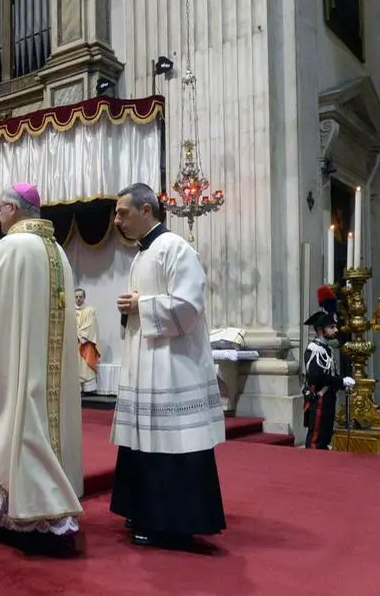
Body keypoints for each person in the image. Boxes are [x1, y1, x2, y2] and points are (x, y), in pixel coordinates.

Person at [0, 182, 84, 556]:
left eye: (0, 208)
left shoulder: (11, 247)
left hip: (18, 364)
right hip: (48, 368)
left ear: (14, 209)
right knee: (45, 426)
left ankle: (28, 513)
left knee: (19, 423)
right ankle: (52, 508)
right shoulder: (57, 251)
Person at [110, 182, 226, 549]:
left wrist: (141, 305)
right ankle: (145, 510)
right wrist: (135, 308)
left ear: (147, 211)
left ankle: (173, 524)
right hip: (148, 364)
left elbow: (190, 307)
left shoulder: (175, 248)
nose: (117, 220)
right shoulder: (142, 255)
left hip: (173, 367)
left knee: (171, 443)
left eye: (123, 213)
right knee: (144, 442)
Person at [302, 286, 355, 449]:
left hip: (328, 398)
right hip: (319, 398)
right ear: (320, 330)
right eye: (331, 327)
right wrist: (340, 382)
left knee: (325, 434)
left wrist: (341, 381)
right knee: (316, 437)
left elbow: (330, 372)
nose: (336, 330)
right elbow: (316, 377)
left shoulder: (326, 348)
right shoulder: (314, 349)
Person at [74, 288, 101, 395]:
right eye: (76, 297)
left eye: (81, 297)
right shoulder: (70, 311)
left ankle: (88, 389)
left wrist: (79, 335)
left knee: (86, 364)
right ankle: (76, 388)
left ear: (84, 297)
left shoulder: (90, 310)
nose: (78, 299)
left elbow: (90, 325)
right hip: (73, 342)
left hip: (85, 342)